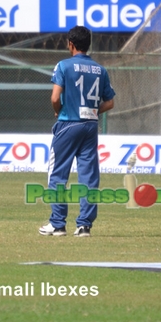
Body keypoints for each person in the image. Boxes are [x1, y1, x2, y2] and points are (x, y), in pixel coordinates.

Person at [39, 26, 115, 238]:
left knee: (57, 174)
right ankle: (84, 226)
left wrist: (58, 111)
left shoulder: (64, 66)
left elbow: (55, 98)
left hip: (68, 123)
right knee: (89, 176)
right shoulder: (100, 70)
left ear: (70, 44)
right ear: (88, 44)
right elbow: (109, 102)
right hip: (90, 125)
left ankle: (57, 224)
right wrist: (92, 111)